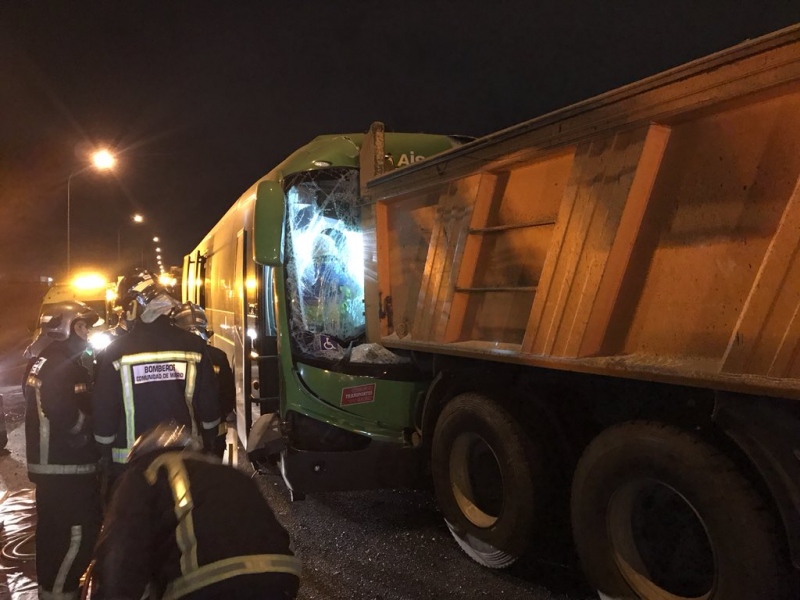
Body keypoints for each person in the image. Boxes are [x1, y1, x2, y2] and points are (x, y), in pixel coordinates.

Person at [91, 422, 301, 600]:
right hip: (280, 576)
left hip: (206, 582)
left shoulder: (146, 473)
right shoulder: (226, 472)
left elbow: (121, 553)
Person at [91, 269, 220, 493]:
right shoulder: (193, 345)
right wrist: (209, 442)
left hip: (130, 463)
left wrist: (103, 451)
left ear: (135, 306)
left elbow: (105, 407)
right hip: (185, 456)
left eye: (125, 307)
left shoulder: (117, 351)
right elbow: (208, 403)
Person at [23, 300, 102, 600]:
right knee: (76, 535)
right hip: (66, 466)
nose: (87, 333)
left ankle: (53, 592)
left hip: (53, 468)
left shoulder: (47, 358)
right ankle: (60, 593)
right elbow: (61, 410)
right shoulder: (60, 364)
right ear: (67, 327)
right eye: (82, 326)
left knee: (54, 538)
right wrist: (89, 430)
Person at [171, 301, 236, 459]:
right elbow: (228, 395)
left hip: (182, 434)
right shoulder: (218, 356)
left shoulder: (171, 357)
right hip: (215, 433)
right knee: (211, 477)